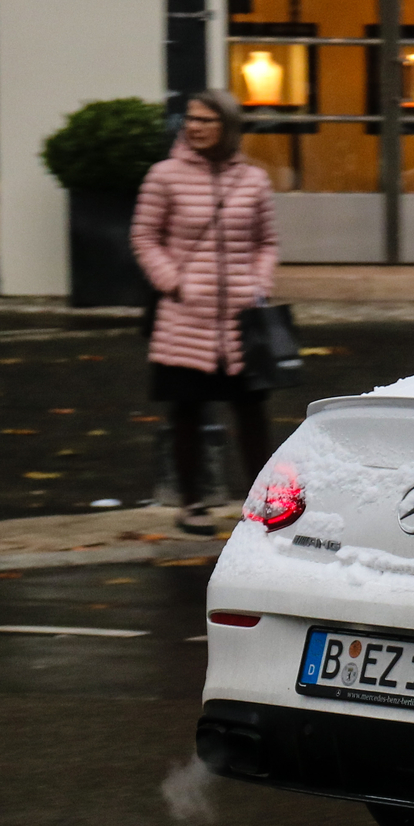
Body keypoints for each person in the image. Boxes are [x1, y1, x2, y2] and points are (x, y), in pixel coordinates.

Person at [130, 88, 279, 535]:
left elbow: (266, 243)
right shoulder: (164, 176)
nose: (193, 127)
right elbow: (144, 237)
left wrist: (258, 285)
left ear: (228, 127)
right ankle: (192, 504)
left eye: (205, 120)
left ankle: (262, 503)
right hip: (184, 317)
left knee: (251, 412)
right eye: (189, 119)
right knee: (187, 411)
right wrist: (173, 281)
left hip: (240, 321)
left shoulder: (254, 180)